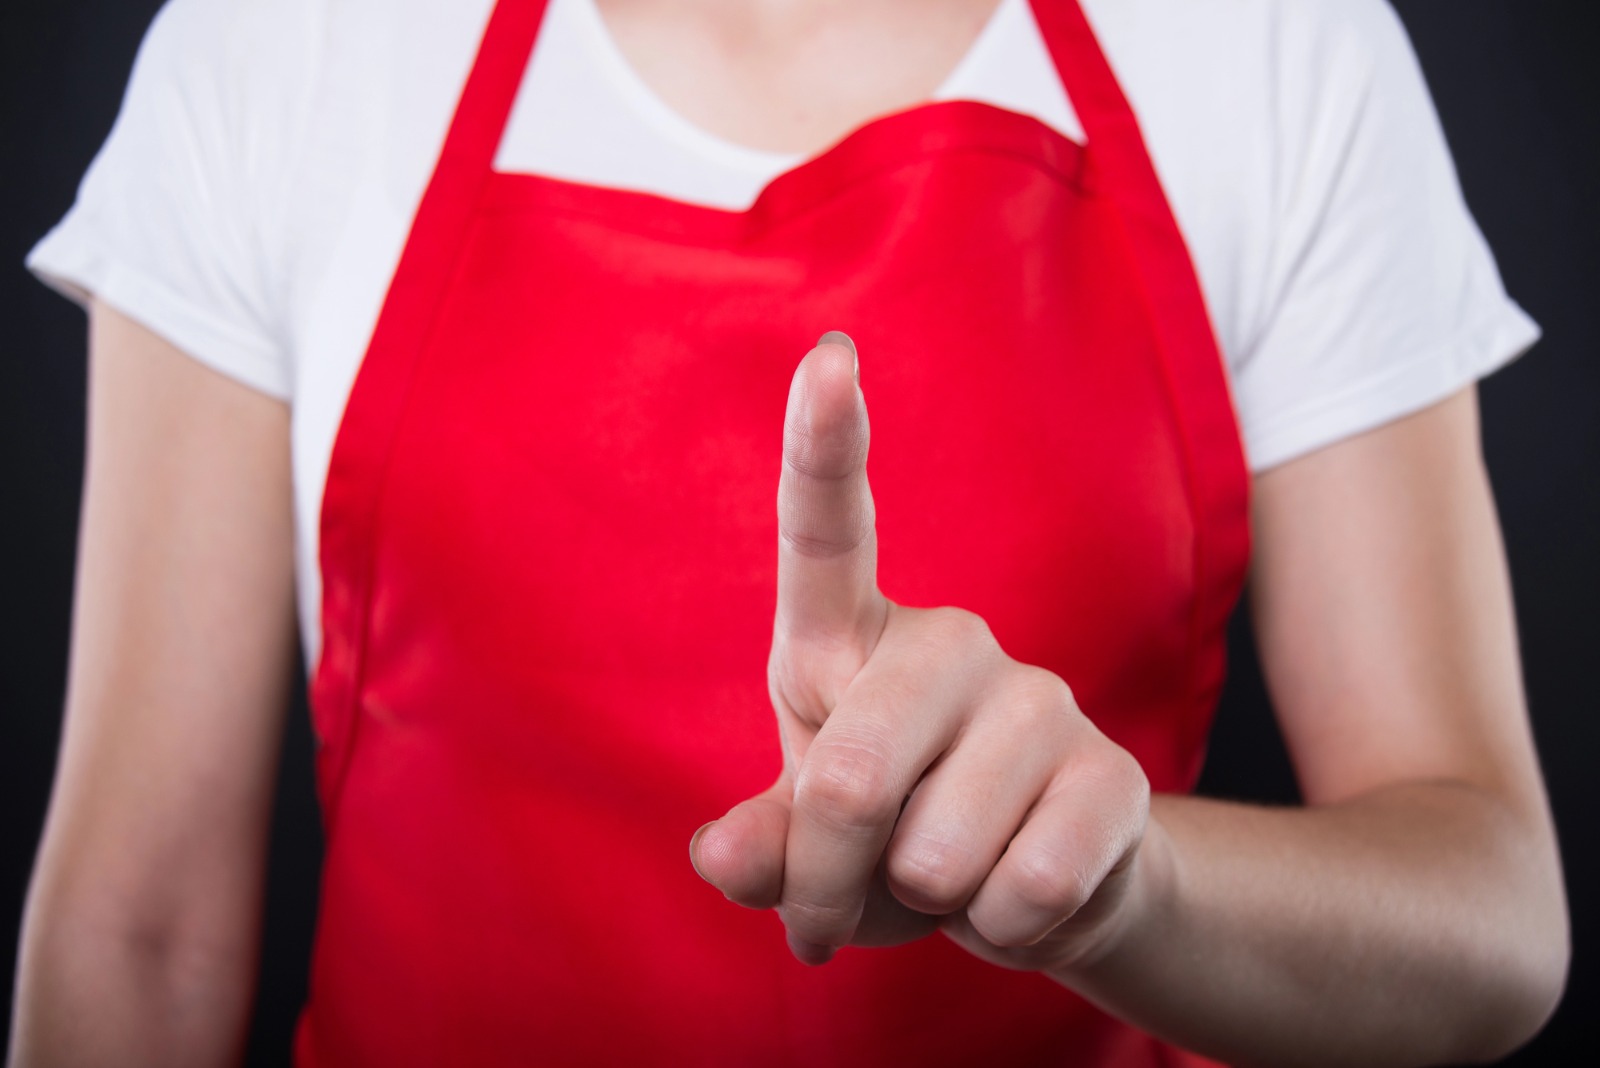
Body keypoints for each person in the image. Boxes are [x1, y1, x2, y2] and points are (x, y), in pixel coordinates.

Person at [9, 0, 1570, 1064]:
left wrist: (1128, 890)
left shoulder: (1268, 46)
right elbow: (135, 932)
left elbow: (1490, 910)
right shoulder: (283, 45)